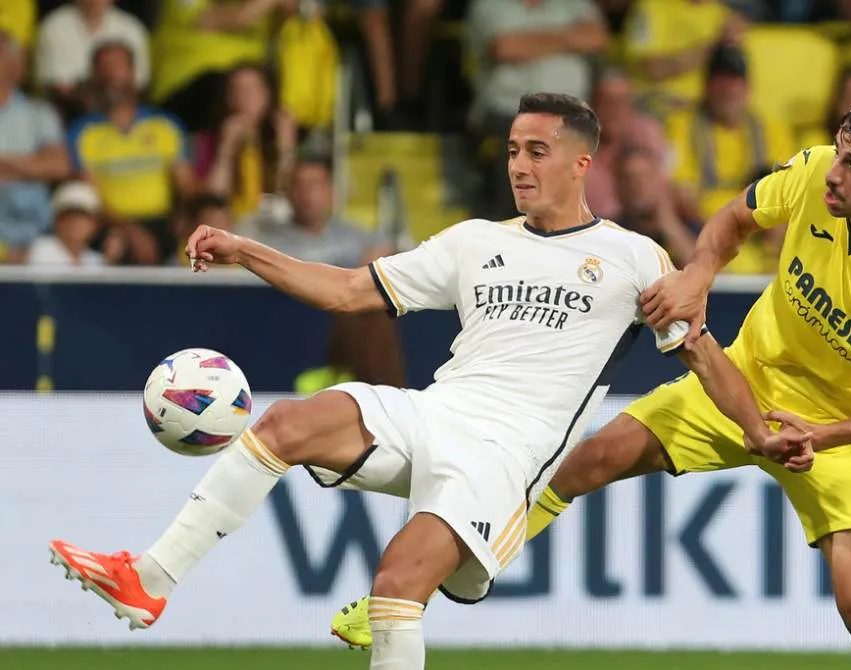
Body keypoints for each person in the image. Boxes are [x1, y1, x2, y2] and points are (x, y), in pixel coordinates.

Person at [48, 93, 810, 670]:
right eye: (514, 149)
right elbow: (349, 290)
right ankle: (149, 577)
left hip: (505, 458)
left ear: (583, 164)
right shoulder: (474, 242)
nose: (519, 165)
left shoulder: (635, 257)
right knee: (283, 425)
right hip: (435, 412)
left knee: (394, 588)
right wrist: (249, 250)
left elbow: (705, 354)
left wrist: (753, 428)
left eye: (539, 151)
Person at [331, 100, 851, 670]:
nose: (834, 172)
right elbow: (734, 221)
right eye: (840, 152)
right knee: (578, 465)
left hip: (837, 439)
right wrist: (698, 275)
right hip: (741, 380)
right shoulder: (813, 173)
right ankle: (405, 591)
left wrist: (825, 435)